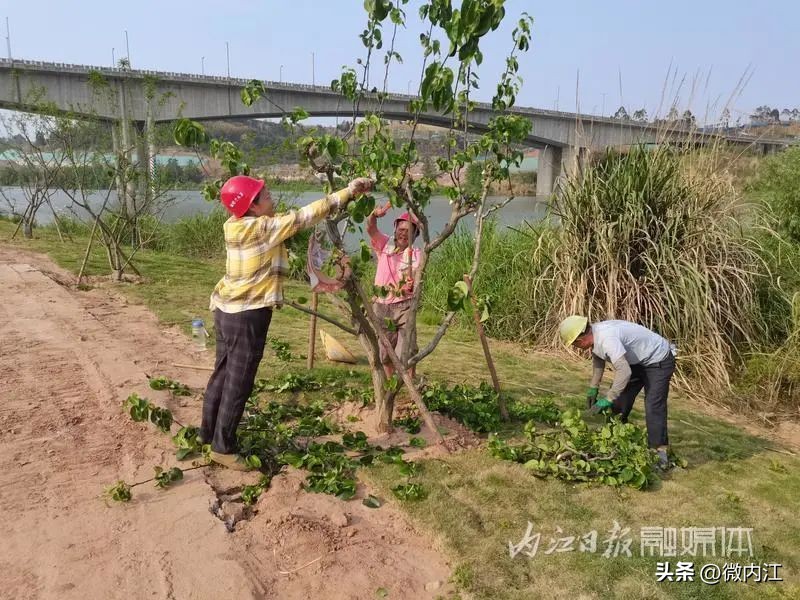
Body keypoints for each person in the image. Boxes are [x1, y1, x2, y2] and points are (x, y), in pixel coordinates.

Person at [200, 174, 374, 470]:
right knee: (238, 382)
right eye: (265, 195)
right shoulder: (263, 228)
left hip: (226, 310)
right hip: (248, 315)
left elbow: (284, 219)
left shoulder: (235, 224)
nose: (271, 197)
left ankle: (207, 435)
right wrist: (346, 193)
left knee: (222, 373)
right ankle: (223, 447)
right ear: (253, 207)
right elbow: (304, 217)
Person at [559, 315, 677, 468]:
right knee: (620, 400)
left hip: (658, 360)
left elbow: (624, 372)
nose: (576, 347)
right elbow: (599, 359)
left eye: (574, 345)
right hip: (637, 362)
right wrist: (593, 387)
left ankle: (659, 453)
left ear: (581, 340)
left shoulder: (607, 338)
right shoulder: (595, 334)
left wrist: (608, 398)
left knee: (653, 405)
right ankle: (617, 438)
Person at [366, 201, 420, 378]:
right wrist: (374, 214)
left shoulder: (416, 254)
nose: (404, 233)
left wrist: (412, 281)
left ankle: (410, 387)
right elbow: (371, 229)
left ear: (415, 234)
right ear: (395, 229)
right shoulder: (384, 244)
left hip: (404, 305)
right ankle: (390, 387)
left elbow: (412, 281)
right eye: (401, 229)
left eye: (409, 231)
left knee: (408, 349)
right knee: (385, 352)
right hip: (382, 306)